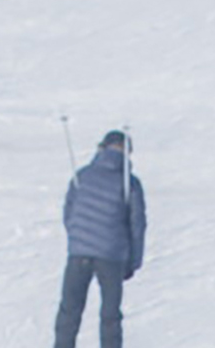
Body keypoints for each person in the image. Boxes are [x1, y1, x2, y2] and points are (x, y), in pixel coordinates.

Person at [53, 130, 147, 348]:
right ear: (127, 152)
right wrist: (133, 262)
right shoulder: (129, 183)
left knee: (69, 311)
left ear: (102, 147)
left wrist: (78, 240)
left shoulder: (82, 176)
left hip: (79, 254)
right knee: (110, 316)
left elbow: (69, 214)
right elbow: (137, 225)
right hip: (112, 256)